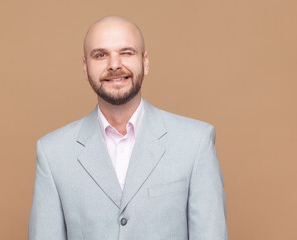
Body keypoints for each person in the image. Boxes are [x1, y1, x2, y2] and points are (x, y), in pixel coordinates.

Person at [28, 16, 228, 240]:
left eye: (126, 52)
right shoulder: (52, 153)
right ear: (85, 68)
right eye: (101, 55)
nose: (114, 65)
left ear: (145, 62)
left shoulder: (195, 143)